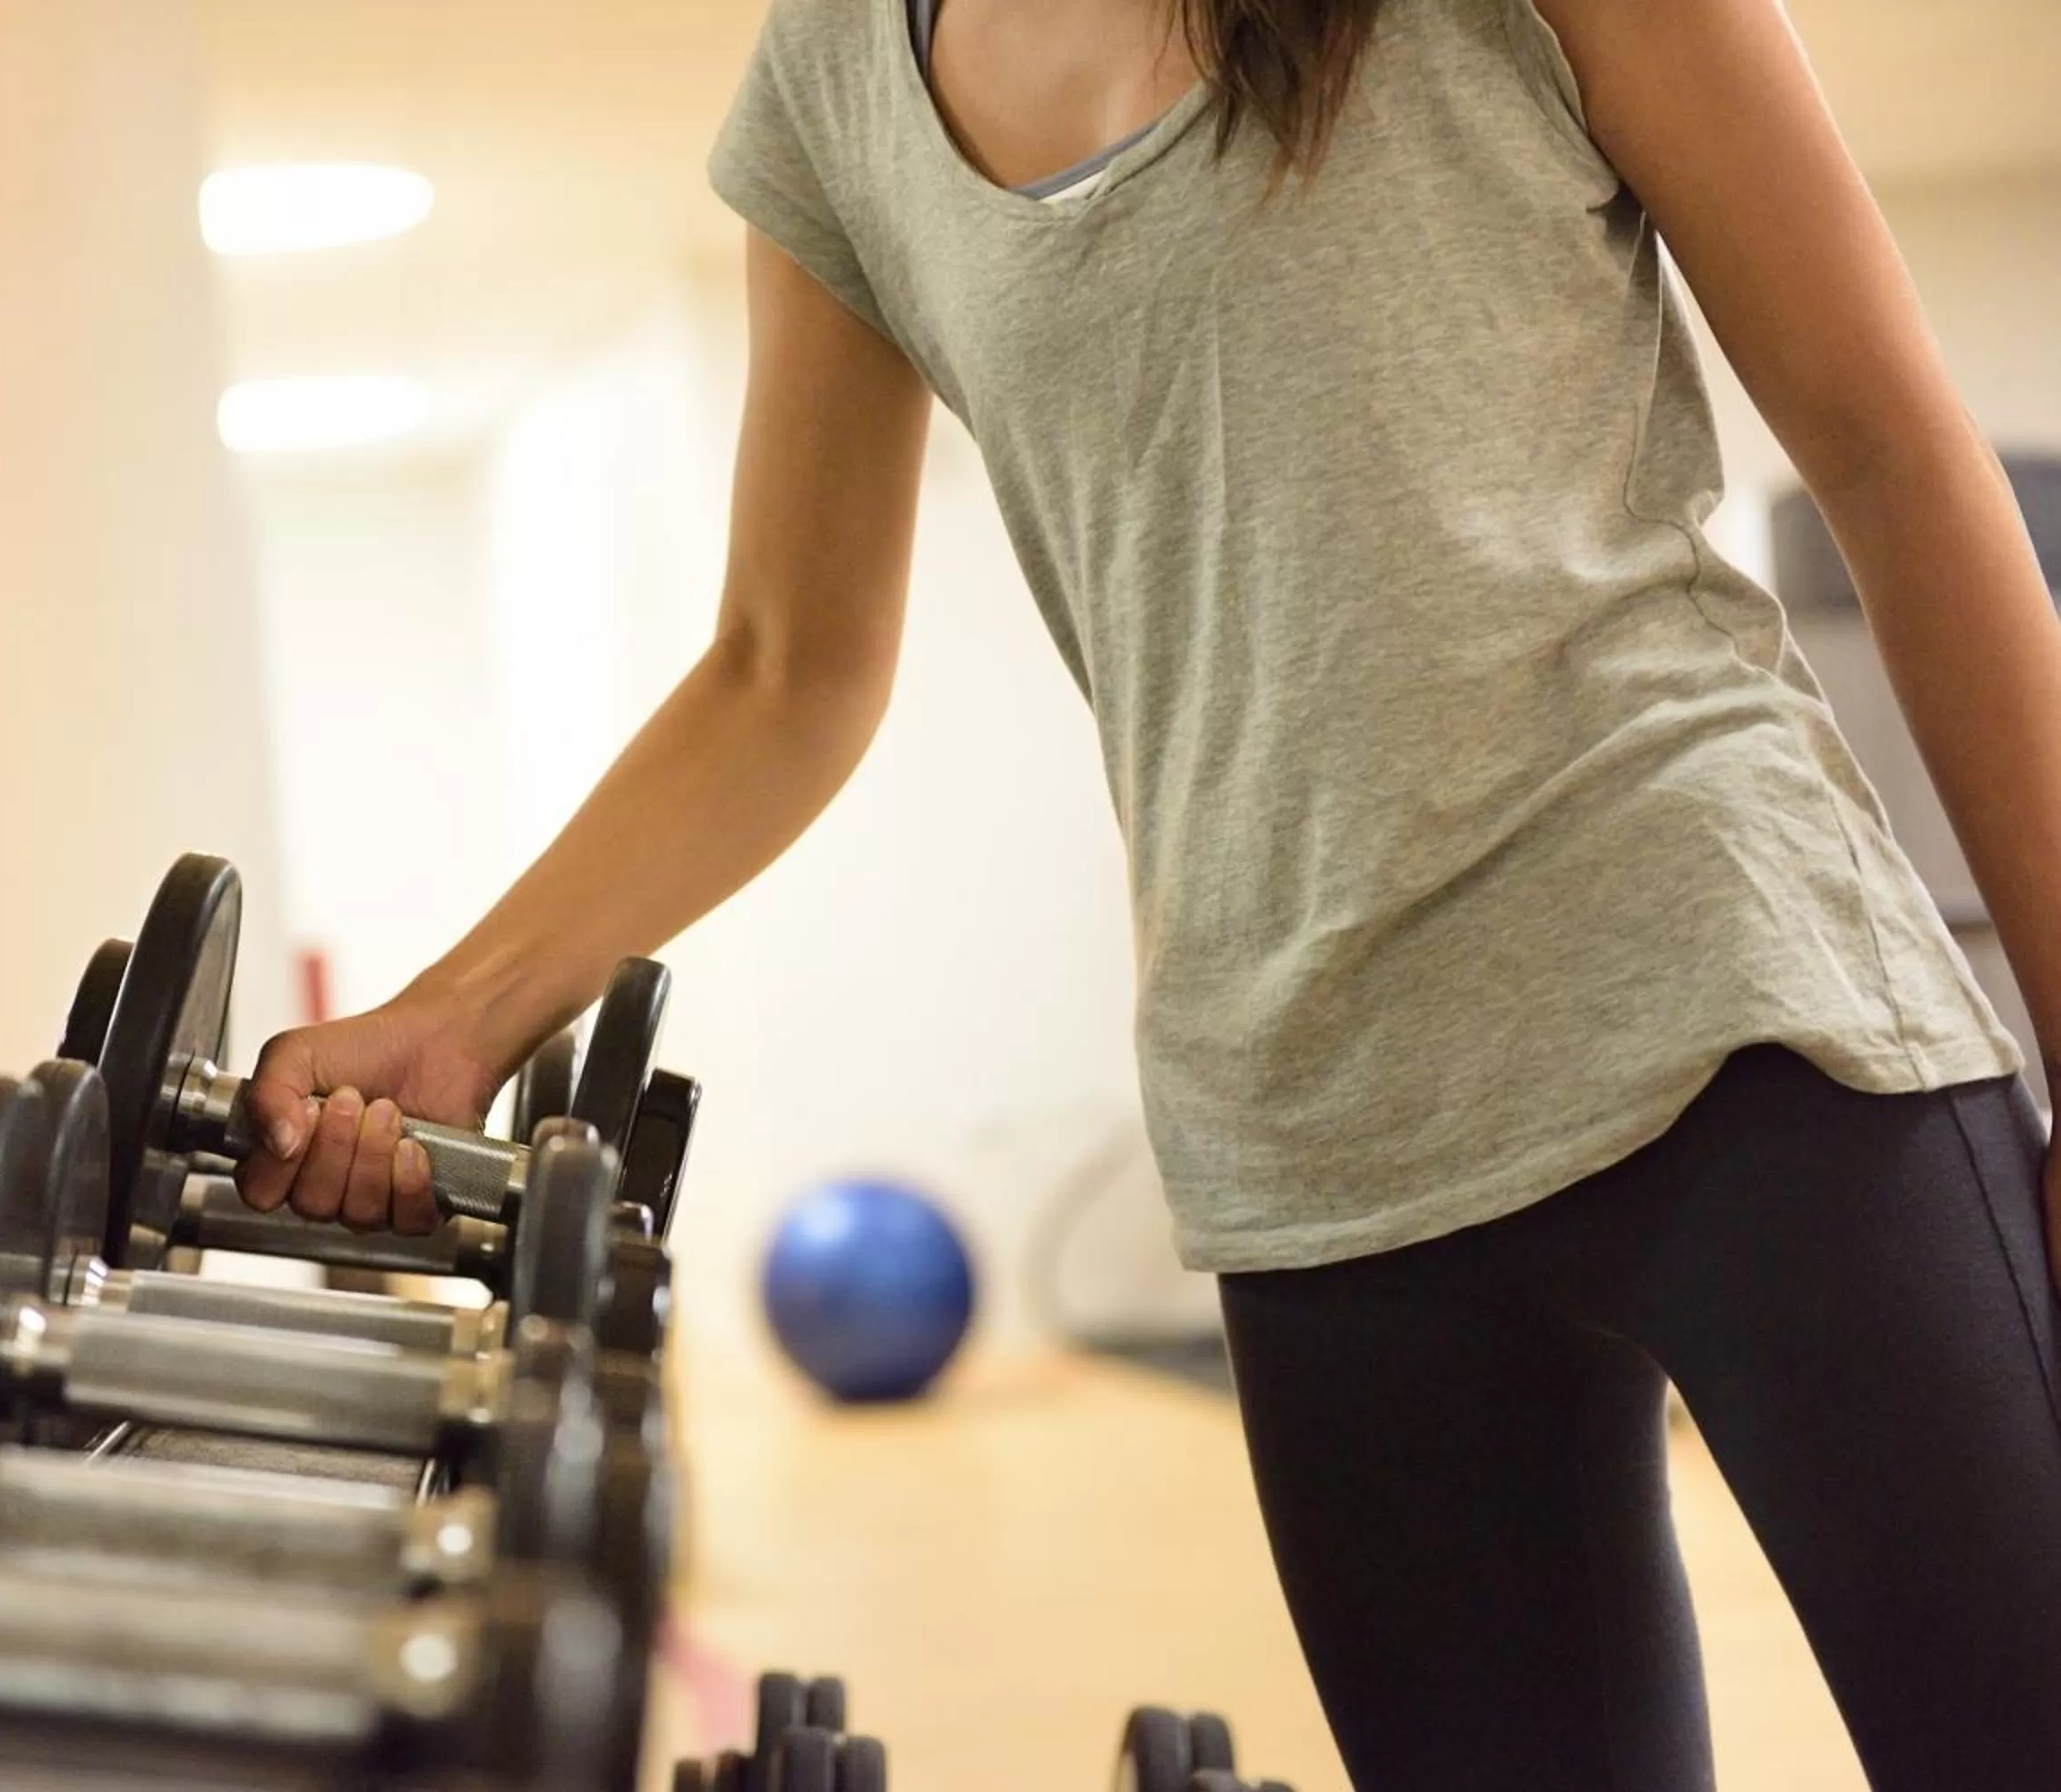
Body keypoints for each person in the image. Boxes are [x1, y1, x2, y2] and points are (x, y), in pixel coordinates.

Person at [232, 0, 2061, 1782]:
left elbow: (1891, 446)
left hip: (1741, 1021)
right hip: (1309, 1144)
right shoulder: (833, 80)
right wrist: (455, 1019)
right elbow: (785, 669)